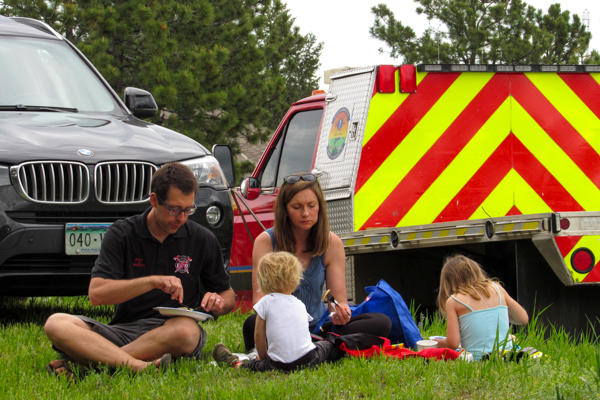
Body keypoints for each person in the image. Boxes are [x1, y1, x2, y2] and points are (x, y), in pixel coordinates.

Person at [44, 162, 235, 376]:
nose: (181, 218)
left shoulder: (201, 238)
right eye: (174, 210)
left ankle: (91, 366)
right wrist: (152, 282)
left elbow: (228, 295)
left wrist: (219, 302)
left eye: (188, 210)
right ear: (154, 200)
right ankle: (138, 366)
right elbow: (97, 294)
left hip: (172, 330)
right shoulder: (123, 233)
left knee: (186, 331)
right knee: (56, 323)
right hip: (124, 329)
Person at [242, 173, 391, 352]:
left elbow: (339, 300)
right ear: (284, 210)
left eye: (311, 206)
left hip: (320, 324)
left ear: (320, 207)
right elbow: (259, 302)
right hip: (282, 325)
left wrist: (339, 312)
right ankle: (326, 346)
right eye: (297, 207)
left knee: (381, 322)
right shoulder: (266, 241)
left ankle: (317, 343)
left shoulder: (331, 243)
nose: (306, 213)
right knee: (251, 325)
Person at [213, 251, 337, 372]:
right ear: (297, 279)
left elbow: (258, 336)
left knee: (251, 366)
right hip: (308, 360)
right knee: (326, 345)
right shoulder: (299, 304)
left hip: (277, 364)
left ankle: (236, 363)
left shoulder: (265, 302)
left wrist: (263, 358)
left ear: (262, 280)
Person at [433, 254, 529, 360]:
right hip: (507, 354)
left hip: (479, 358)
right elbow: (523, 319)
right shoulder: (497, 288)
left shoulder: (453, 301)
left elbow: (453, 343)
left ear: (447, 283)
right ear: (476, 271)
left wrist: (439, 343)